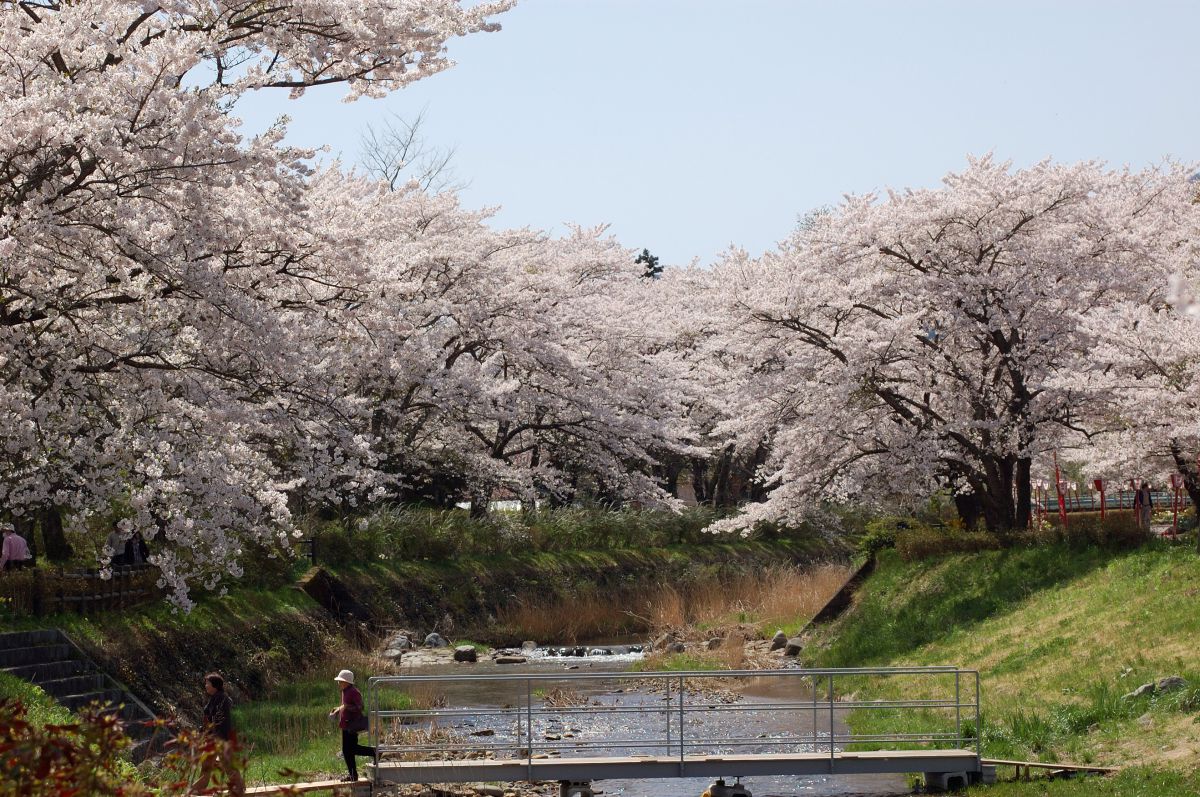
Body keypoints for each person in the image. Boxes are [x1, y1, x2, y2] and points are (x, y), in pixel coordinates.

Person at [193, 673, 245, 795]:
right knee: (208, 764)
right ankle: (199, 788)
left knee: (226, 764)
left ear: (214, 685)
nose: (205, 685)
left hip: (220, 737)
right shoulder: (216, 697)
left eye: (207, 683)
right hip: (215, 737)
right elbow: (211, 719)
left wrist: (208, 731)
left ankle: (238, 787)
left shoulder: (221, 698)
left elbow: (217, 719)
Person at [330, 669, 375, 782]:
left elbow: (360, 707)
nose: (339, 683)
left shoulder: (354, 692)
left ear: (347, 682)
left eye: (341, 681)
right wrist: (337, 709)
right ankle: (353, 775)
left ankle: (374, 753)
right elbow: (345, 705)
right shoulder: (345, 691)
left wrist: (345, 707)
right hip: (346, 724)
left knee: (350, 749)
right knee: (348, 750)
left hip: (352, 725)